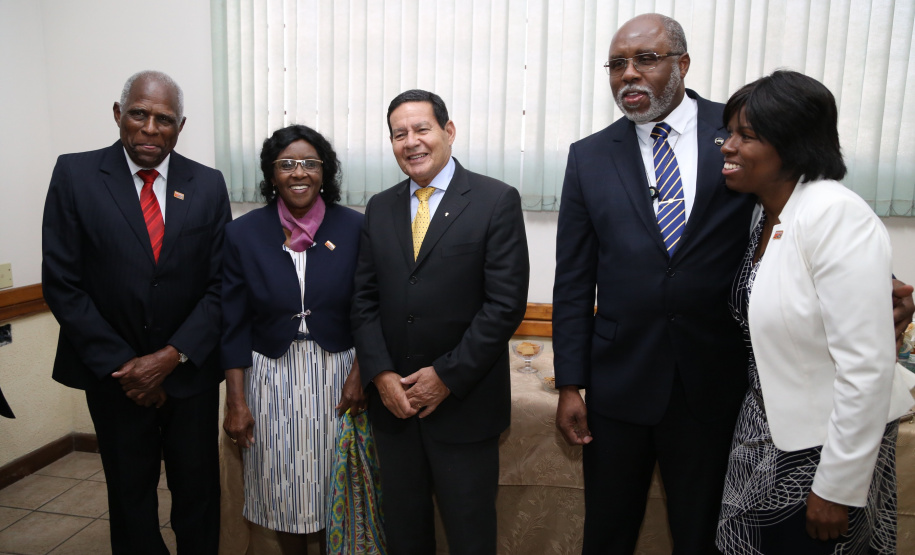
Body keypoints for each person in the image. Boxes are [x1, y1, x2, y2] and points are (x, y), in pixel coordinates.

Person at [551, 14, 915, 554]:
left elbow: (807, 205)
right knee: (607, 530)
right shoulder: (589, 155)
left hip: (715, 381)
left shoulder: (744, 132)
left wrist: (875, 281)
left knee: (702, 534)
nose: (628, 74)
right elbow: (574, 279)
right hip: (620, 379)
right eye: (616, 64)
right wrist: (569, 381)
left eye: (645, 59)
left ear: (682, 63)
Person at [715, 70, 915, 555]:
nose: (727, 145)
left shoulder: (834, 214)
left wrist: (837, 487)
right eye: (731, 131)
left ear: (793, 146)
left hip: (820, 450)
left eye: (747, 135)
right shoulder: (767, 211)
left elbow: (866, 368)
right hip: (764, 435)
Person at [41, 70, 231, 554]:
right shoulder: (75, 174)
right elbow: (64, 283)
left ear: (180, 126)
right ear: (117, 115)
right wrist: (128, 368)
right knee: (130, 495)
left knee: (198, 493)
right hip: (115, 378)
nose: (150, 128)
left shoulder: (207, 184)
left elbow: (221, 284)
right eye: (139, 114)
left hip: (188, 374)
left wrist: (171, 356)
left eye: (164, 119)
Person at [351, 89, 529, 555]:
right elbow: (364, 300)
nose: (411, 142)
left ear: (448, 132)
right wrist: (381, 374)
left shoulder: (495, 200)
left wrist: (446, 376)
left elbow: (505, 305)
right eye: (398, 134)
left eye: (421, 129)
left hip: (464, 408)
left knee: (470, 536)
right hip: (394, 411)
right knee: (406, 536)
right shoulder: (380, 207)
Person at [220, 124, 366, 553]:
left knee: (334, 484)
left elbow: (369, 309)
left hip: (338, 377)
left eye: (309, 163)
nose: (298, 173)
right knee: (282, 488)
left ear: (325, 171)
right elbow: (232, 322)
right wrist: (236, 401)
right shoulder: (242, 234)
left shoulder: (356, 228)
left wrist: (362, 373)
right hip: (269, 377)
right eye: (286, 164)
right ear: (271, 173)